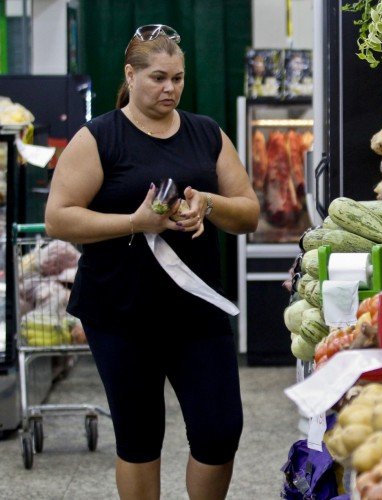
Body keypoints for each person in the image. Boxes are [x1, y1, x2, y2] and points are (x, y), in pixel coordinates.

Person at [44, 24, 259, 500]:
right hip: (120, 312)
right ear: (131, 74)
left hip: (198, 311)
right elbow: (58, 220)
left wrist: (207, 202)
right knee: (140, 438)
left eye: (178, 78)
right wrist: (135, 222)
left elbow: (248, 212)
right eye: (159, 78)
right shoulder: (99, 137)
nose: (170, 89)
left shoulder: (206, 134)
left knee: (220, 431)